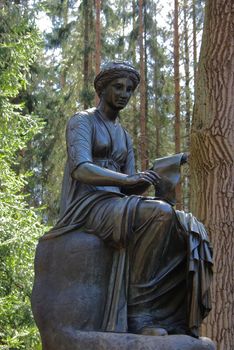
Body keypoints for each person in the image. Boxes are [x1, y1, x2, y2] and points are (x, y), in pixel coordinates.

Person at [40, 61, 212, 338]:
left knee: (184, 225)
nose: (124, 94)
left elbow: (130, 187)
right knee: (160, 214)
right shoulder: (82, 121)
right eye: (118, 87)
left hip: (115, 204)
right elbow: (81, 169)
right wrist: (126, 181)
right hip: (86, 205)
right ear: (102, 88)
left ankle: (168, 313)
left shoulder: (124, 136)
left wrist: (155, 176)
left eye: (129, 89)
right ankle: (138, 312)